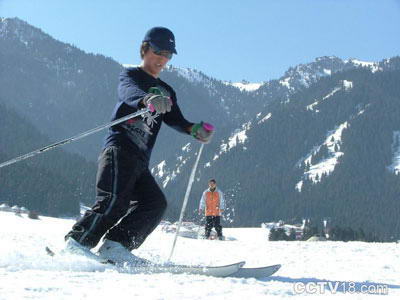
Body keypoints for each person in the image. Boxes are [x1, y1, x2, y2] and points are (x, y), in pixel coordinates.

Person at [64, 27, 214, 265]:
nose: (162, 59)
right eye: (158, 51)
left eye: (168, 54)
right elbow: (129, 93)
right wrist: (147, 99)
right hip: (119, 150)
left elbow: (176, 120)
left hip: (140, 161)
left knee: (154, 203)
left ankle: (116, 245)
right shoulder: (130, 76)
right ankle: (77, 243)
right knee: (114, 202)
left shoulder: (168, 91)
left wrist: (193, 129)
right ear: (145, 49)